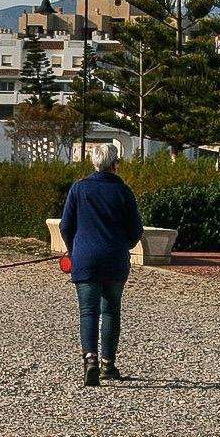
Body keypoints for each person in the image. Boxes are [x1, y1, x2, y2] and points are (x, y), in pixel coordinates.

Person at [60, 141, 144, 386]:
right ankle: (108, 364)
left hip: (85, 257)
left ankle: (90, 360)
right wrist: (124, 244)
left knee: (88, 311)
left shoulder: (79, 189)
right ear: (115, 164)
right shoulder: (123, 191)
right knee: (110, 310)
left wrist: (72, 250)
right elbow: (136, 229)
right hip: (115, 257)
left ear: (94, 163)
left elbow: (66, 226)